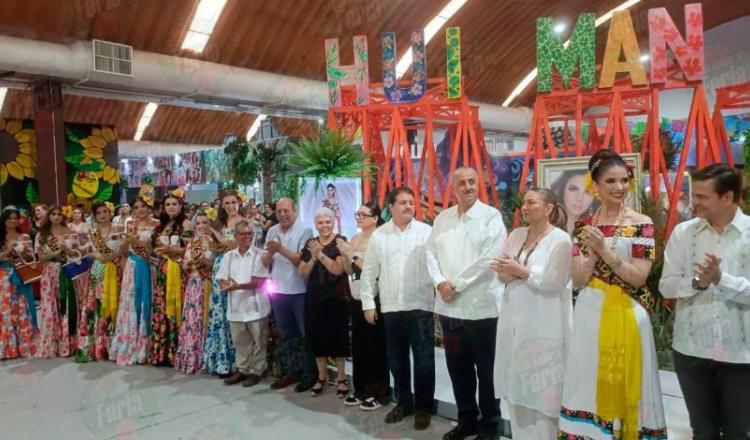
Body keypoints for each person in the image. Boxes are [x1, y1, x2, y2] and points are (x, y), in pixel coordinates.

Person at [559, 149, 667, 440]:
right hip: (589, 313)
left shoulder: (641, 223)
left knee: (629, 380)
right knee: (588, 380)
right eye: (611, 181)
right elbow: (579, 278)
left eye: (625, 180)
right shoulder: (583, 226)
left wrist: (606, 251)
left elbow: (640, 276)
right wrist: (592, 256)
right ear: (595, 185)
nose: (620, 187)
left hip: (628, 314)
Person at [660, 164, 750, 439]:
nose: (694, 202)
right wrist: (697, 283)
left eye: (702, 196)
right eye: (694, 194)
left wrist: (721, 279)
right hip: (691, 350)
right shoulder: (683, 233)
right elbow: (666, 285)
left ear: (728, 197)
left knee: (738, 433)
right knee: (703, 431)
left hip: (741, 353)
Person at [425, 167, 507, 440]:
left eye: (472, 181)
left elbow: (490, 258)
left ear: (479, 183)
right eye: (462, 183)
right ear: (453, 187)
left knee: (487, 371)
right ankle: (466, 420)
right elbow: (430, 253)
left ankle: (490, 425)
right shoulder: (443, 218)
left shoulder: (491, 217)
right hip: (450, 311)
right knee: (457, 369)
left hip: (482, 308)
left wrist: (455, 285)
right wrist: (439, 282)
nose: (468, 186)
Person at [490, 188, 573, 439]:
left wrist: (520, 270)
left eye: (531, 202)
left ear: (548, 209)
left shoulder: (560, 240)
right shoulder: (516, 235)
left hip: (545, 325)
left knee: (543, 389)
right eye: (523, 203)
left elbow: (554, 282)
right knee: (516, 387)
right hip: (514, 319)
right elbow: (501, 274)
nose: (524, 207)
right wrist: (517, 272)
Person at [359, 188, 435, 429]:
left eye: (411, 203)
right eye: (402, 203)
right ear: (390, 207)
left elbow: (436, 267)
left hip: (420, 306)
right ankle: (404, 403)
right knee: (397, 361)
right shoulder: (380, 236)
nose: (408, 207)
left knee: (424, 360)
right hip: (391, 308)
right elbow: (369, 272)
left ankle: (423, 407)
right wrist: (369, 303)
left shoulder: (427, 233)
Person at [337, 201, 390, 411]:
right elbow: (350, 270)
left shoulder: (380, 237)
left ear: (375, 218)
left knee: (375, 345)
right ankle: (360, 388)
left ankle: (379, 392)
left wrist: (352, 254)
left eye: (363, 214)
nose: (358, 217)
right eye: (357, 214)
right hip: (356, 294)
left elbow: (372, 270)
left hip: (375, 296)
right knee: (359, 344)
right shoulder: (356, 238)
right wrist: (345, 255)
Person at [261, 198, 315, 392]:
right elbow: (266, 260)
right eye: (279, 211)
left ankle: (310, 374)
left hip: (299, 290)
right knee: (285, 335)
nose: (282, 215)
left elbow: (301, 260)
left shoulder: (305, 230)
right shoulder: (272, 231)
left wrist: (280, 249)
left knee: (304, 334)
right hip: (277, 289)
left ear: (295, 211)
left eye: (286, 211)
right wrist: (268, 255)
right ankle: (291, 371)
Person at [298, 207, 349, 398]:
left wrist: (321, 255)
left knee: (338, 337)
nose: (324, 226)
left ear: (333, 222)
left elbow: (338, 269)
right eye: (320, 222)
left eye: (328, 221)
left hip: (335, 297)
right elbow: (302, 272)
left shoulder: (340, 241)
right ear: (316, 224)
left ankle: (342, 378)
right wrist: (313, 257)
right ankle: (322, 376)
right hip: (314, 297)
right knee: (317, 337)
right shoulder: (310, 244)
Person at [217, 221, 270, 387]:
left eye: (250, 234)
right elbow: (221, 278)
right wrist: (225, 285)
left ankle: (257, 371)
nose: (247, 237)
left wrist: (236, 286)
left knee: (259, 341)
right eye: (243, 234)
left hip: (256, 307)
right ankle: (242, 369)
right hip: (236, 307)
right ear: (235, 236)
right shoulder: (228, 256)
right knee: (240, 342)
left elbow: (258, 283)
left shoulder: (260, 255)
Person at [110, 198, 158, 366]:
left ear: (148, 207)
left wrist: (133, 240)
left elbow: (150, 251)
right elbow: (122, 250)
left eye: (143, 206)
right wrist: (124, 242)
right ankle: (130, 343)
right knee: (130, 303)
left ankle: (148, 345)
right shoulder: (129, 224)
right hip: (132, 265)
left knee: (148, 301)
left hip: (150, 266)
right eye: (136, 207)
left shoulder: (156, 224)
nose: (139, 210)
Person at [203, 189, 246, 377]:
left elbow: (237, 245)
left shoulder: (245, 223)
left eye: (233, 202)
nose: (230, 206)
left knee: (237, 310)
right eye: (226, 203)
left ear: (239, 203)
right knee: (219, 311)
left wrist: (216, 235)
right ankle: (221, 360)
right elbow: (216, 249)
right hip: (220, 265)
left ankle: (241, 362)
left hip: (238, 266)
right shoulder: (219, 224)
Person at [76, 203, 123, 362]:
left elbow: (124, 250)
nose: (103, 215)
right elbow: (87, 252)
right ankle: (95, 346)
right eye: (99, 212)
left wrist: (111, 257)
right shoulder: (92, 233)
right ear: (95, 216)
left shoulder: (119, 228)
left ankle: (113, 347)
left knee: (113, 305)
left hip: (116, 270)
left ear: (110, 213)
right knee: (95, 307)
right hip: (97, 271)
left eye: (105, 211)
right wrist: (97, 256)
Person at [150, 191, 192, 366]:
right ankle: (162, 353)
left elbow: (191, 249)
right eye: (168, 204)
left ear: (181, 206)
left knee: (177, 305)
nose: (171, 207)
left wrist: (170, 250)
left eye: (174, 204)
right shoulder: (161, 226)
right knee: (162, 307)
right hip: (162, 270)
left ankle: (178, 352)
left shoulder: (186, 224)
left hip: (180, 271)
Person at [175, 210, 215, 374]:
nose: (201, 226)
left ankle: (208, 358)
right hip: (194, 284)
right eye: (198, 223)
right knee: (193, 320)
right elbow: (184, 266)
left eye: (205, 222)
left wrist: (203, 259)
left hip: (209, 283)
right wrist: (192, 260)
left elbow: (214, 263)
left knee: (208, 318)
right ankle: (192, 357)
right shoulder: (193, 242)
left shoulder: (214, 241)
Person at [36, 205, 78, 358]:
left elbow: (77, 253)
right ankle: (52, 344)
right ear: (49, 216)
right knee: (50, 306)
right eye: (53, 214)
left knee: (66, 305)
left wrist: (69, 251)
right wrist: (56, 252)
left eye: (59, 214)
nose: (56, 217)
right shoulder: (42, 234)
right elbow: (40, 258)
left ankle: (68, 343)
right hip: (50, 273)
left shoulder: (70, 232)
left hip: (67, 270)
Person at [0, 208, 37, 359]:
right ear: (4, 220)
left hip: (21, 274)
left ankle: (25, 344)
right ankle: (7, 346)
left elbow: (32, 259)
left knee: (23, 309)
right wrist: (9, 249)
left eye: (16, 218)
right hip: (3, 277)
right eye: (10, 218)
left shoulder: (24, 236)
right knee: (5, 311)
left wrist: (26, 252)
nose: (13, 221)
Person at [551, 170, 597, 235]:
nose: (579, 198)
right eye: (573, 189)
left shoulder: (596, 228)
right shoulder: (547, 223)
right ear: (562, 190)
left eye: (588, 192)